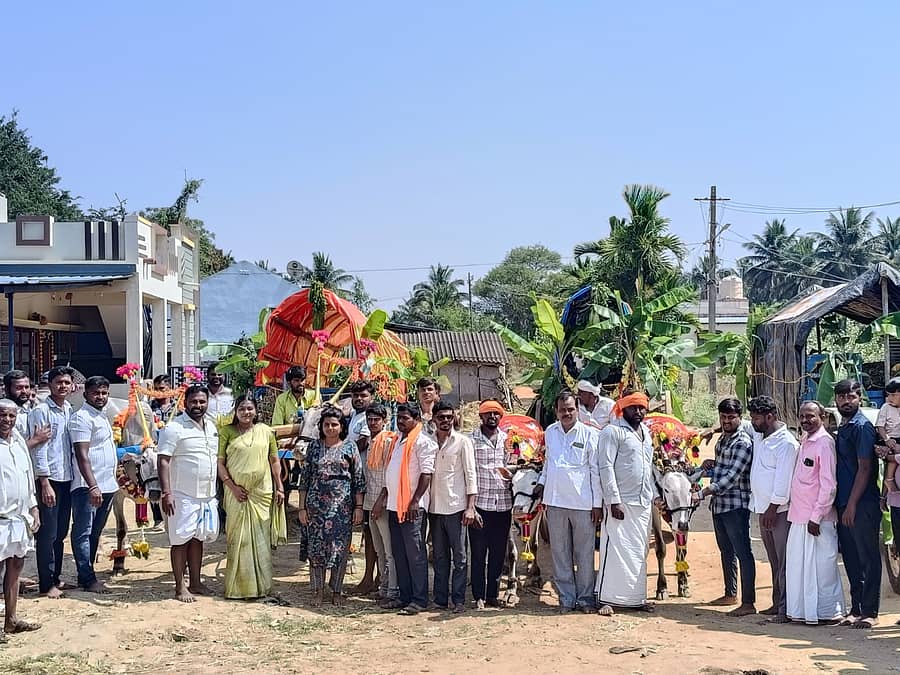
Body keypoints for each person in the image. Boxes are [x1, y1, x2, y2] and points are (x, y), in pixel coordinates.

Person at [533, 391, 602, 614]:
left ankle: (585, 599)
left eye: (571, 409)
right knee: (560, 553)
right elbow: (548, 465)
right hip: (554, 502)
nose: (567, 413)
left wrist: (597, 504)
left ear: (578, 409)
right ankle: (566, 599)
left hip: (583, 504)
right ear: (556, 411)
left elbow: (595, 471)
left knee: (584, 554)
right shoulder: (550, 433)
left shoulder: (590, 434)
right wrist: (541, 484)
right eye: (562, 410)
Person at [157, 384, 220, 603]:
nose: (198, 406)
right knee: (180, 540)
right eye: (194, 402)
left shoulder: (212, 426)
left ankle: (196, 582)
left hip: (206, 495)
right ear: (185, 402)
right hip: (181, 495)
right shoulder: (174, 428)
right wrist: (167, 493)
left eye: (202, 402)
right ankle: (179, 587)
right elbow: (163, 460)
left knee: (198, 538)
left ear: (207, 403)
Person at [297, 406, 366, 607]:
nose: (330, 428)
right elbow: (305, 479)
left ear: (341, 426)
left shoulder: (350, 447)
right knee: (316, 550)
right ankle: (317, 591)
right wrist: (301, 508)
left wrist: (359, 507)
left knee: (340, 550)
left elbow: (358, 480)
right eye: (326, 424)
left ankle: (336, 590)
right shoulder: (314, 448)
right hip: (315, 507)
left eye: (334, 424)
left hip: (342, 509)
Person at [694, 398, 756, 616]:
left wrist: (703, 492)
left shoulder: (742, 442)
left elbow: (731, 477)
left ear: (740, 417)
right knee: (726, 551)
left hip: (735, 505)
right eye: (723, 417)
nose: (727, 421)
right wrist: (707, 467)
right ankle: (730, 593)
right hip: (719, 505)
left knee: (743, 552)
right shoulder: (723, 439)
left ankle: (748, 602)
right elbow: (722, 469)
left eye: (731, 417)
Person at [217, 394, 284, 599]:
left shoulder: (266, 432)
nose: (246, 413)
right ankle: (239, 588)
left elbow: (274, 461)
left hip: (261, 493)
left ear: (256, 411)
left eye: (250, 409)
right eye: (242, 409)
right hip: (235, 494)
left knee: (260, 538)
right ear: (236, 412)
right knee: (238, 539)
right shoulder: (227, 432)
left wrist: (280, 486)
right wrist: (232, 486)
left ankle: (261, 587)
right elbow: (220, 463)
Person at [785, 401, 846, 625]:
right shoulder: (804, 441)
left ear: (822, 416)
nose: (805, 420)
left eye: (810, 416)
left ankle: (830, 613)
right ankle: (804, 612)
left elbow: (828, 484)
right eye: (802, 416)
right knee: (800, 569)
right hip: (799, 516)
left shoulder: (824, 443)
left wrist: (816, 516)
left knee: (823, 569)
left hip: (817, 520)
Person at [595, 391, 656, 615]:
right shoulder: (612, 432)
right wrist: (613, 501)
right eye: (633, 408)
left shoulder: (646, 433)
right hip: (621, 502)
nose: (638, 412)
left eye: (642, 408)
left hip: (642, 502)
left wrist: (655, 496)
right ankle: (607, 599)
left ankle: (635, 598)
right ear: (623, 409)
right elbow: (606, 467)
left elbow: (648, 468)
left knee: (638, 551)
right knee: (615, 550)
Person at [833, 379, 882, 629]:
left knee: (868, 557)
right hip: (843, 502)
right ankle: (856, 608)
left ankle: (871, 611)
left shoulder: (862, 427)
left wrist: (852, 504)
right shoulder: (843, 426)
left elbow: (864, 469)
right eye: (841, 398)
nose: (846, 401)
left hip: (862, 503)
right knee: (851, 557)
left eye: (850, 397)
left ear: (859, 398)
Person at [747, 395, 799, 624]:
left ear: (770, 417)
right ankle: (777, 602)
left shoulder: (786, 443)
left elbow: (783, 480)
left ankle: (786, 609)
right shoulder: (762, 436)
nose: (753, 422)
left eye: (756, 418)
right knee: (774, 561)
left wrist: (772, 508)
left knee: (785, 561)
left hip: (778, 512)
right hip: (763, 509)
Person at [383, 403, 437, 615]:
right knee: (400, 553)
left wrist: (415, 501)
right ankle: (405, 597)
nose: (401, 421)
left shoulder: (423, 443)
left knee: (415, 554)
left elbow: (426, 474)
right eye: (399, 418)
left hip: (412, 508)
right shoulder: (399, 441)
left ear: (416, 419)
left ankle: (419, 599)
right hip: (394, 506)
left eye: (405, 418)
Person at [27, 366, 75, 598]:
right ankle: (46, 584)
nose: (63, 386)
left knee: (60, 532)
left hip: (67, 478)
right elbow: (40, 450)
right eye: (59, 382)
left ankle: (56, 578)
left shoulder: (68, 409)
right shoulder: (41, 411)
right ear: (50, 384)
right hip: (50, 479)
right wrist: (44, 482)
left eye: (67, 382)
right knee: (47, 534)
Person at [68, 375, 119, 593]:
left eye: (104, 393)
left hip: (107, 485)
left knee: (95, 532)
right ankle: (88, 579)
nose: (100, 397)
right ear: (85, 394)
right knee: (83, 531)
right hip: (88, 486)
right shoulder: (81, 418)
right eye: (96, 393)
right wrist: (92, 486)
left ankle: (85, 575)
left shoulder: (102, 415)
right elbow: (82, 454)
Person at [429, 401, 477, 612]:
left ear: (454, 418)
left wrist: (471, 507)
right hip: (434, 509)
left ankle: (458, 600)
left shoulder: (462, 442)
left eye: (449, 417)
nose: (446, 421)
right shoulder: (428, 442)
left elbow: (471, 474)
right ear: (434, 419)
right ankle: (440, 599)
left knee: (460, 558)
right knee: (439, 557)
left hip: (457, 508)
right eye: (441, 417)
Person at [0, 398, 41, 640]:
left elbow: (28, 477)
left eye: (11, 416)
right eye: (3, 415)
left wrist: (34, 508)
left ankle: (11, 620)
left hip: (19, 518)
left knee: (16, 566)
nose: (7, 420)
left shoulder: (18, 443)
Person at [469, 399, 512, 610]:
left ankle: (493, 595)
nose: (492, 417)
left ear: (500, 417)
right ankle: (478, 595)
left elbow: (515, 465)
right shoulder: (470, 440)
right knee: (478, 553)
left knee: (498, 553)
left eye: (496, 413)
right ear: (481, 416)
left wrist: (511, 474)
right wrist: (470, 507)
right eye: (488, 413)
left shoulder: (508, 439)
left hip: (503, 505)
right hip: (480, 505)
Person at [365, 404, 399, 606]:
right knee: (379, 549)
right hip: (370, 501)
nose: (372, 423)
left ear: (384, 420)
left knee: (389, 551)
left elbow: (389, 475)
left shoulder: (388, 442)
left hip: (383, 503)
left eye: (376, 419)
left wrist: (380, 502)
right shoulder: (371, 442)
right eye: (369, 419)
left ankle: (392, 590)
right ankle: (383, 587)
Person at [346, 380, 376, 594]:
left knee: (371, 532)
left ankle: (371, 578)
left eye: (363, 395)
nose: (359, 399)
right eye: (355, 396)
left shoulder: (369, 417)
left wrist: (339, 453)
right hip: (356, 479)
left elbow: (363, 443)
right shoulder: (355, 417)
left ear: (371, 397)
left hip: (368, 480)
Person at [4, 370, 49, 449]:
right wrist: (36, 440)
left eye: (26, 387)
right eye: (19, 388)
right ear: (7, 390)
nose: (24, 391)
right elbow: (9, 449)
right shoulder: (3, 414)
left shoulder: (32, 408)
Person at [875, 377, 900, 516]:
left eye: (894, 395)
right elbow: (880, 426)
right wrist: (887, 439)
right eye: (888, 395)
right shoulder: (886, 407)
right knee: (893, 458)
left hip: (899, 441)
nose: (890, 398)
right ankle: (888, 483)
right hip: (888, 439)